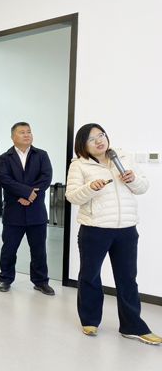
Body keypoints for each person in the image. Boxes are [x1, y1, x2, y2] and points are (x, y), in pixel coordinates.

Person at [65, 123, 161, 345]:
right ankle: (89, 320)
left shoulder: (123, 157)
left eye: (101, 135)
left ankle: (132, 326)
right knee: (90, 276)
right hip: (95, 229)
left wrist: (133, 179)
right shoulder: (79, 165)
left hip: (126, 228)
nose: (99, 140)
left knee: (128, 279)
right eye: (92, 139)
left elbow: (143, 187)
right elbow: (72, 196)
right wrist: (90, 187)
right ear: (83, 145)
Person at [0, 122, 54, 295]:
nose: (27, 134)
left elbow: (46, 177)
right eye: (22, 132)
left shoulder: (41, 155)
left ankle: (41, 281)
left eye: (29, 131)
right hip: (13, 210)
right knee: (9, 249)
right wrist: (27, 192)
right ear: (13, 137)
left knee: (39, 250)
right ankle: (5, 279)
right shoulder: (5, 158)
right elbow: (4, 179)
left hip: (36, 211)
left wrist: (30, 195)